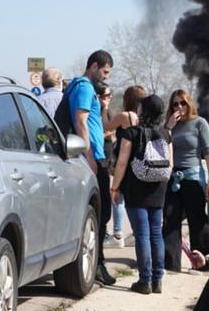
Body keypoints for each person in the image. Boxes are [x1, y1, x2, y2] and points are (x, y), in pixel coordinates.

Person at [110, 93, 170, 295]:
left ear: (143, 111)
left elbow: (122, 162)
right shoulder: (166, 134)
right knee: (156, 233)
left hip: (136, 189)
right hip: (158, 188)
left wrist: (115, 187)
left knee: (142, 235)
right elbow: (172, 163)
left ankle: (144, 281)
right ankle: (158, 279)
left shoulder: (131, 133)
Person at [68, 50, 117, 285]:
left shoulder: (87, 88)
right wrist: (88, 155)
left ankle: (97, 261)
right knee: (99, 214)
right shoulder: (84, 87)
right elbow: (80, 120)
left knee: (102, 213)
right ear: (95, 65)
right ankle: (96, 263)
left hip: (97, 156)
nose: (105, 77)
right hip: (92, 158)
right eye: (105, 72)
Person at [162, 90, 209, 273]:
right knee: (170, 218)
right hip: (173, 177)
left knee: (198, 220)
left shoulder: (199, 123)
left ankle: (204, 261)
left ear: (189, 104)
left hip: (193, 177)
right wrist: (168, 128)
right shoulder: (171, 125)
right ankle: (170, 263)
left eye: (183, 103)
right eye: (175, 104)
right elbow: (163, 148)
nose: (179, 107)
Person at [105, 85, 147, 248]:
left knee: (117, 198)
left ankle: (117, 235)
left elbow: (106, 126)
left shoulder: (126, 116)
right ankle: (137, 234)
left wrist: (105, 107)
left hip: (125, 161)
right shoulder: (143, 117)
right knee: (137, 200)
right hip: (139, 162)